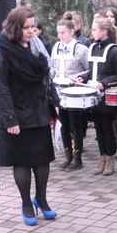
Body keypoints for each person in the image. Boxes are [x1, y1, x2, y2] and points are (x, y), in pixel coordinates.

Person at [0, 5, 60, 226]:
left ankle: (41, 199)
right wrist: (9, 119)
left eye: (32, 27)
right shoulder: (0, 52)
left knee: (42, 160)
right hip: (17, 114)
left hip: (39, 111)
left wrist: (54, 102)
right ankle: (26, 203)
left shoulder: (37, 48)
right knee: (22, 162)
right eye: (26, 27)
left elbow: (46, 79)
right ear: (14, 27)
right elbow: (1, 89)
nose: (31, 32)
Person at [78, 17, 117, 176]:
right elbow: (93, 71)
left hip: (107, 97)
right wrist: (83, 77)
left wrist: (104, 83)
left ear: (104, 31)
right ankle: (102, 159)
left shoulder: (115, 51)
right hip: (94, 96)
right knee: (98, 128)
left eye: (95, 30)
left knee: (107, 128)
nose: (92, 33)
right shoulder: (93, 47)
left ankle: (110, 159)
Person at [51, 18, 89, 171]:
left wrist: (79, 76)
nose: (60, 36)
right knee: (63, 124)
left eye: (63, 33)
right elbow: (52, 69)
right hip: (59, 92)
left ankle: (77, 157)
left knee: (75, 124)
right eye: (58, 33)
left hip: (74, 93)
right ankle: (67, 156)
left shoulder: (81, 49)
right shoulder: (56, 47)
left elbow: (89, 70)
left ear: (72, 32)